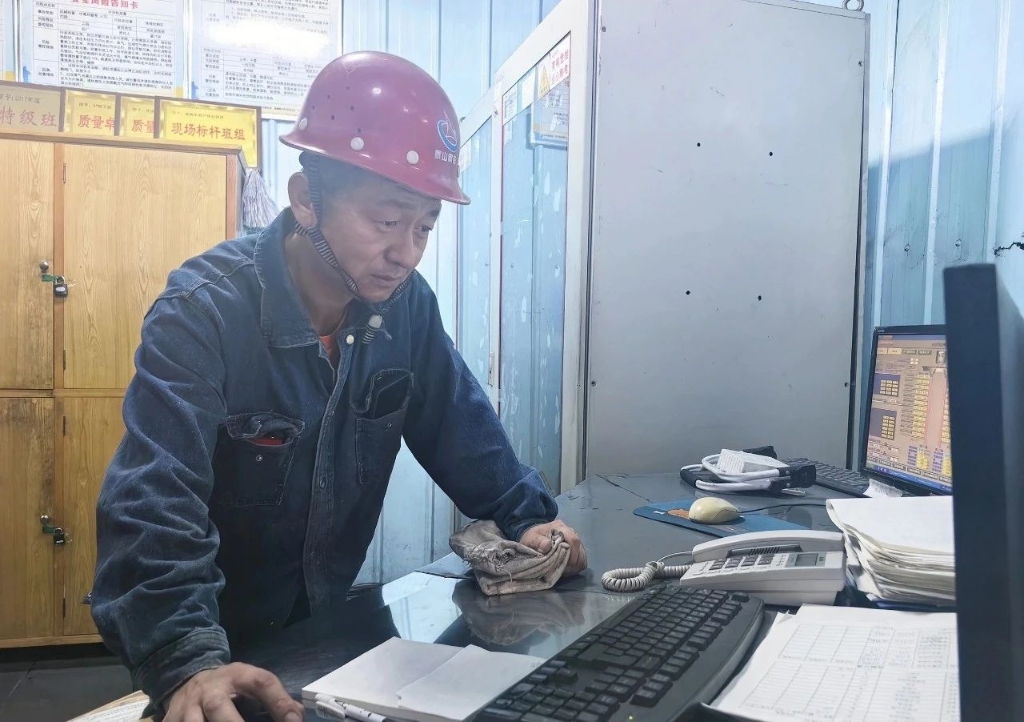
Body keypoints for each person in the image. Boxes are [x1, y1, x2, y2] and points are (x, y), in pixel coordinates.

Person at [91, 51, 586, 722]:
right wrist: (186, 658)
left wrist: (532, 519)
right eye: (386, 222)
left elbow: (462, 432)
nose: (407, 253)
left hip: (325, 640)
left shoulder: (406, 308)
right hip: (212, 644)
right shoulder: (204, 311)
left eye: (424, 226)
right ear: (306, 199)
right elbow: (155, 499)